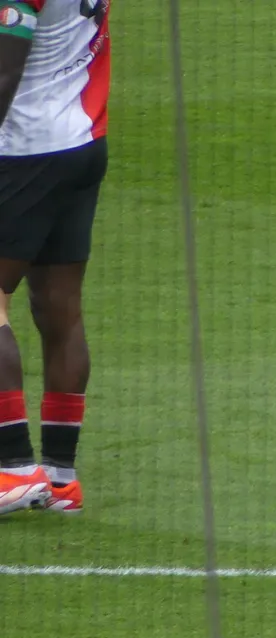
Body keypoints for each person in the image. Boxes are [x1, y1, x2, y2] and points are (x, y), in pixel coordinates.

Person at [0, 0, 110, 515]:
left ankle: (14, 469)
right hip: (82, 141)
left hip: (23, 152)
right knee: (60, 310)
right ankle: (62, 479)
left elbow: (5, 72)